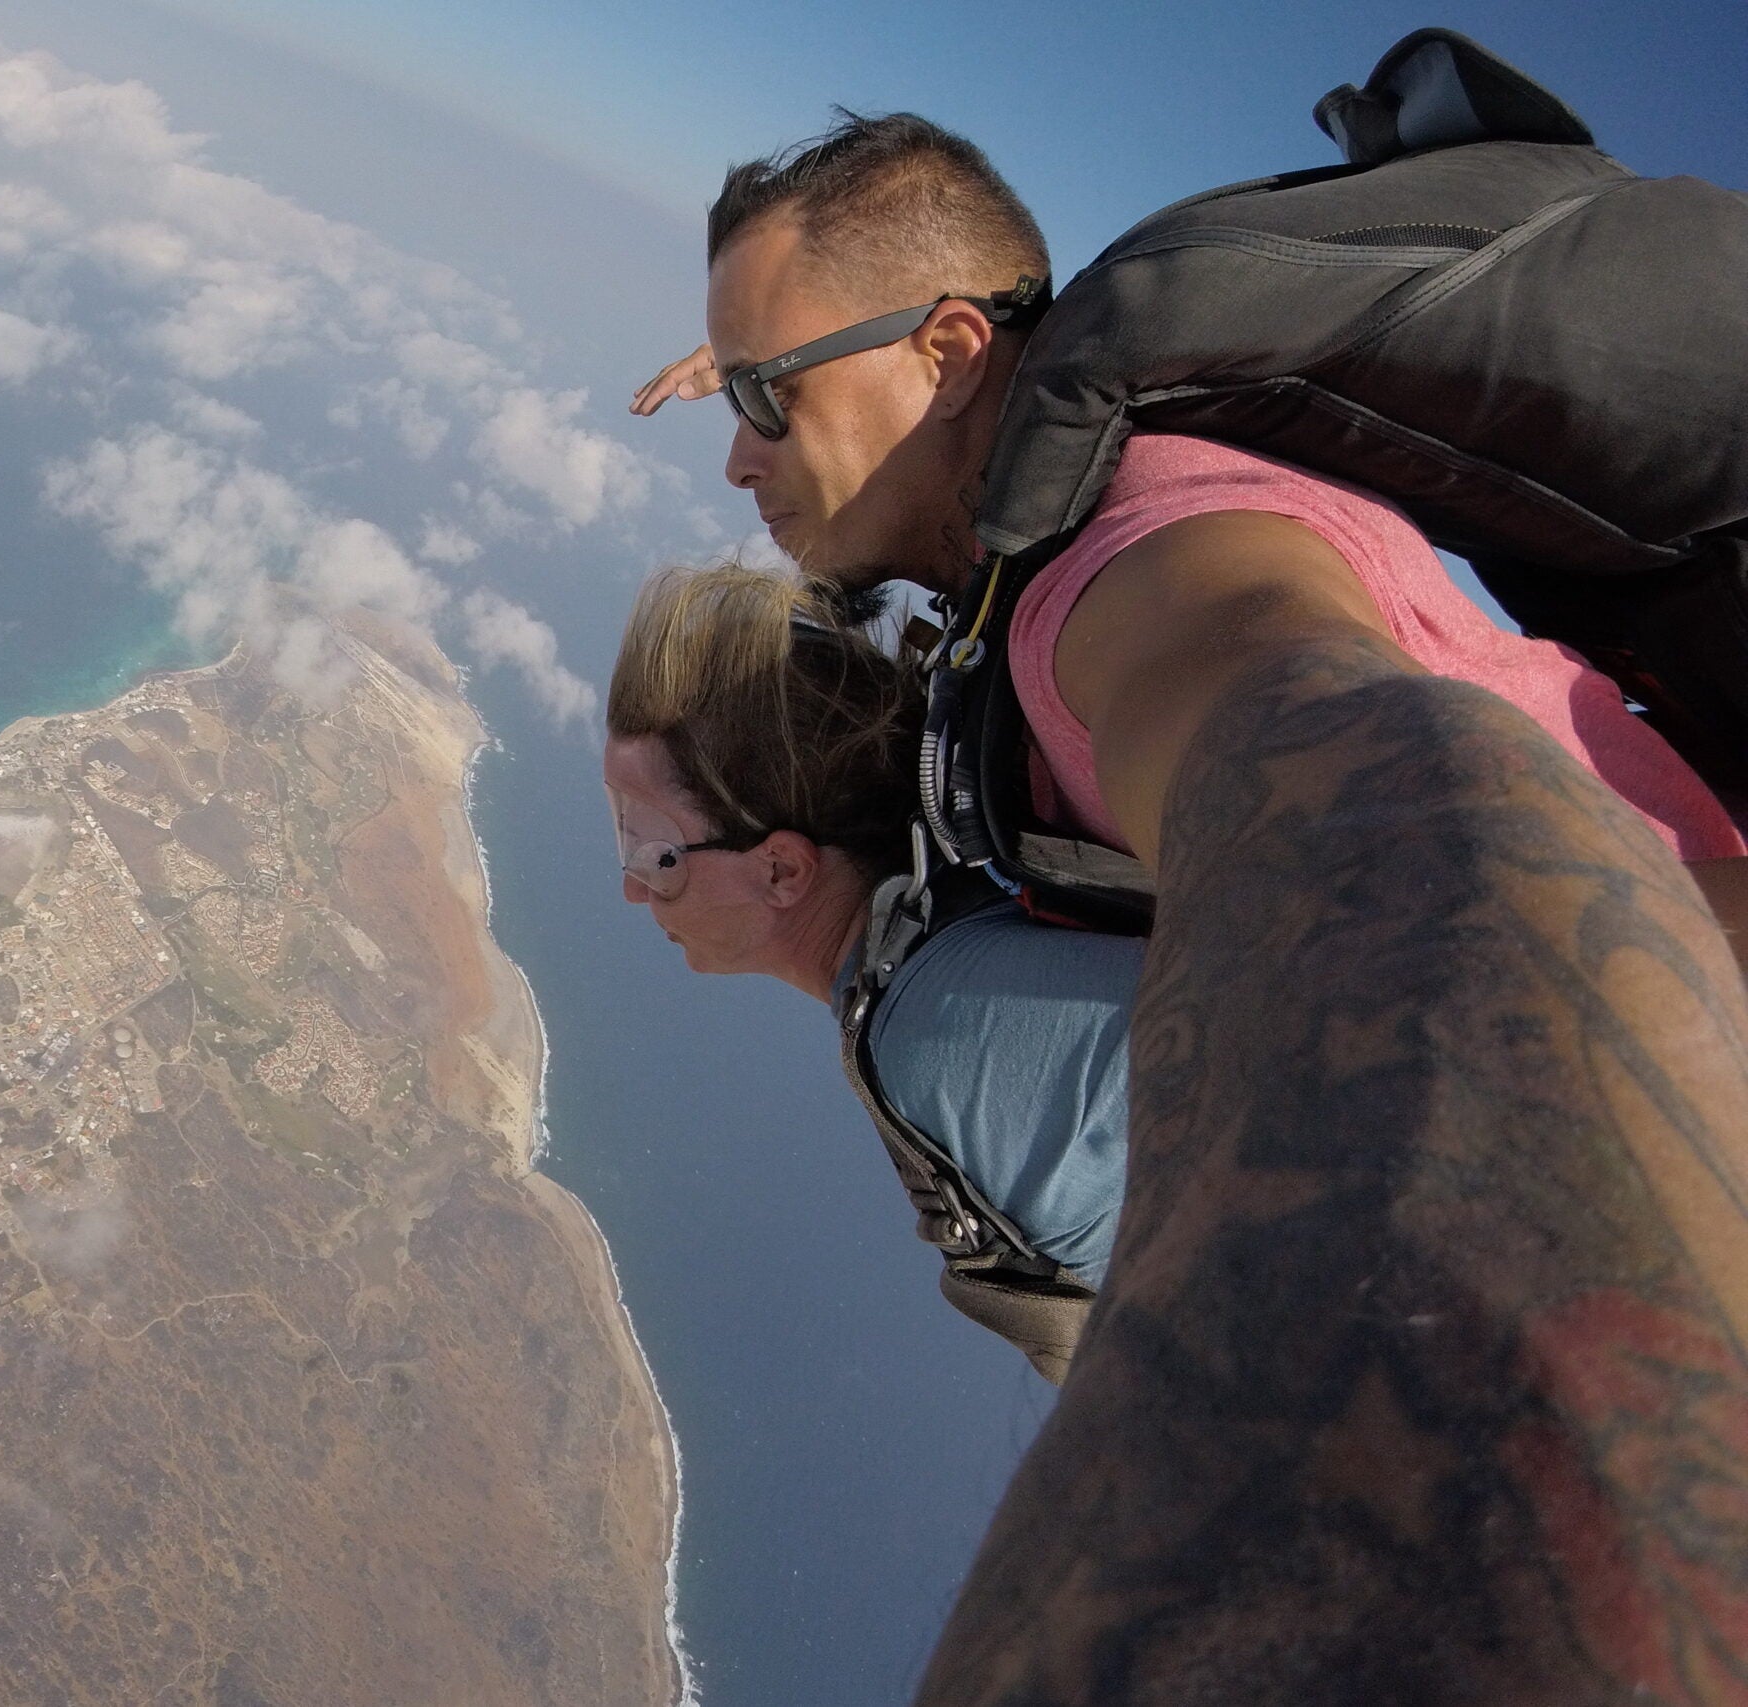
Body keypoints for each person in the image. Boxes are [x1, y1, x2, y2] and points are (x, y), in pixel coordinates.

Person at [630, 111, 1748, 1701]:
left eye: (763, 401)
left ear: (951, 351)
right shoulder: (1072, 483)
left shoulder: (1136, 573)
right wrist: (791, 372)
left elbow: (1384, 814)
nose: (737, 452)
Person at [607, 561, 1133, 1377]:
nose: (633, 888)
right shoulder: (938, 967)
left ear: (783, 871)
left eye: (654, 852)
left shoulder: (944, 1039)